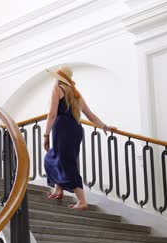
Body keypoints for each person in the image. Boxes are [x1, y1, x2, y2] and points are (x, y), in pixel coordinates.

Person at [43, 65, 115, 210]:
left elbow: (52, 114)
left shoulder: (57, 89)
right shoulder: (75, 93)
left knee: (65, 162)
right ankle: (58, 188)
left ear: (58, 79)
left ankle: (82, 200)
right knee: (56, 158)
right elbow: (90, 115)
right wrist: (104, 126)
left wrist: (46, 134)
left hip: (62, 128)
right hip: (74, 129)